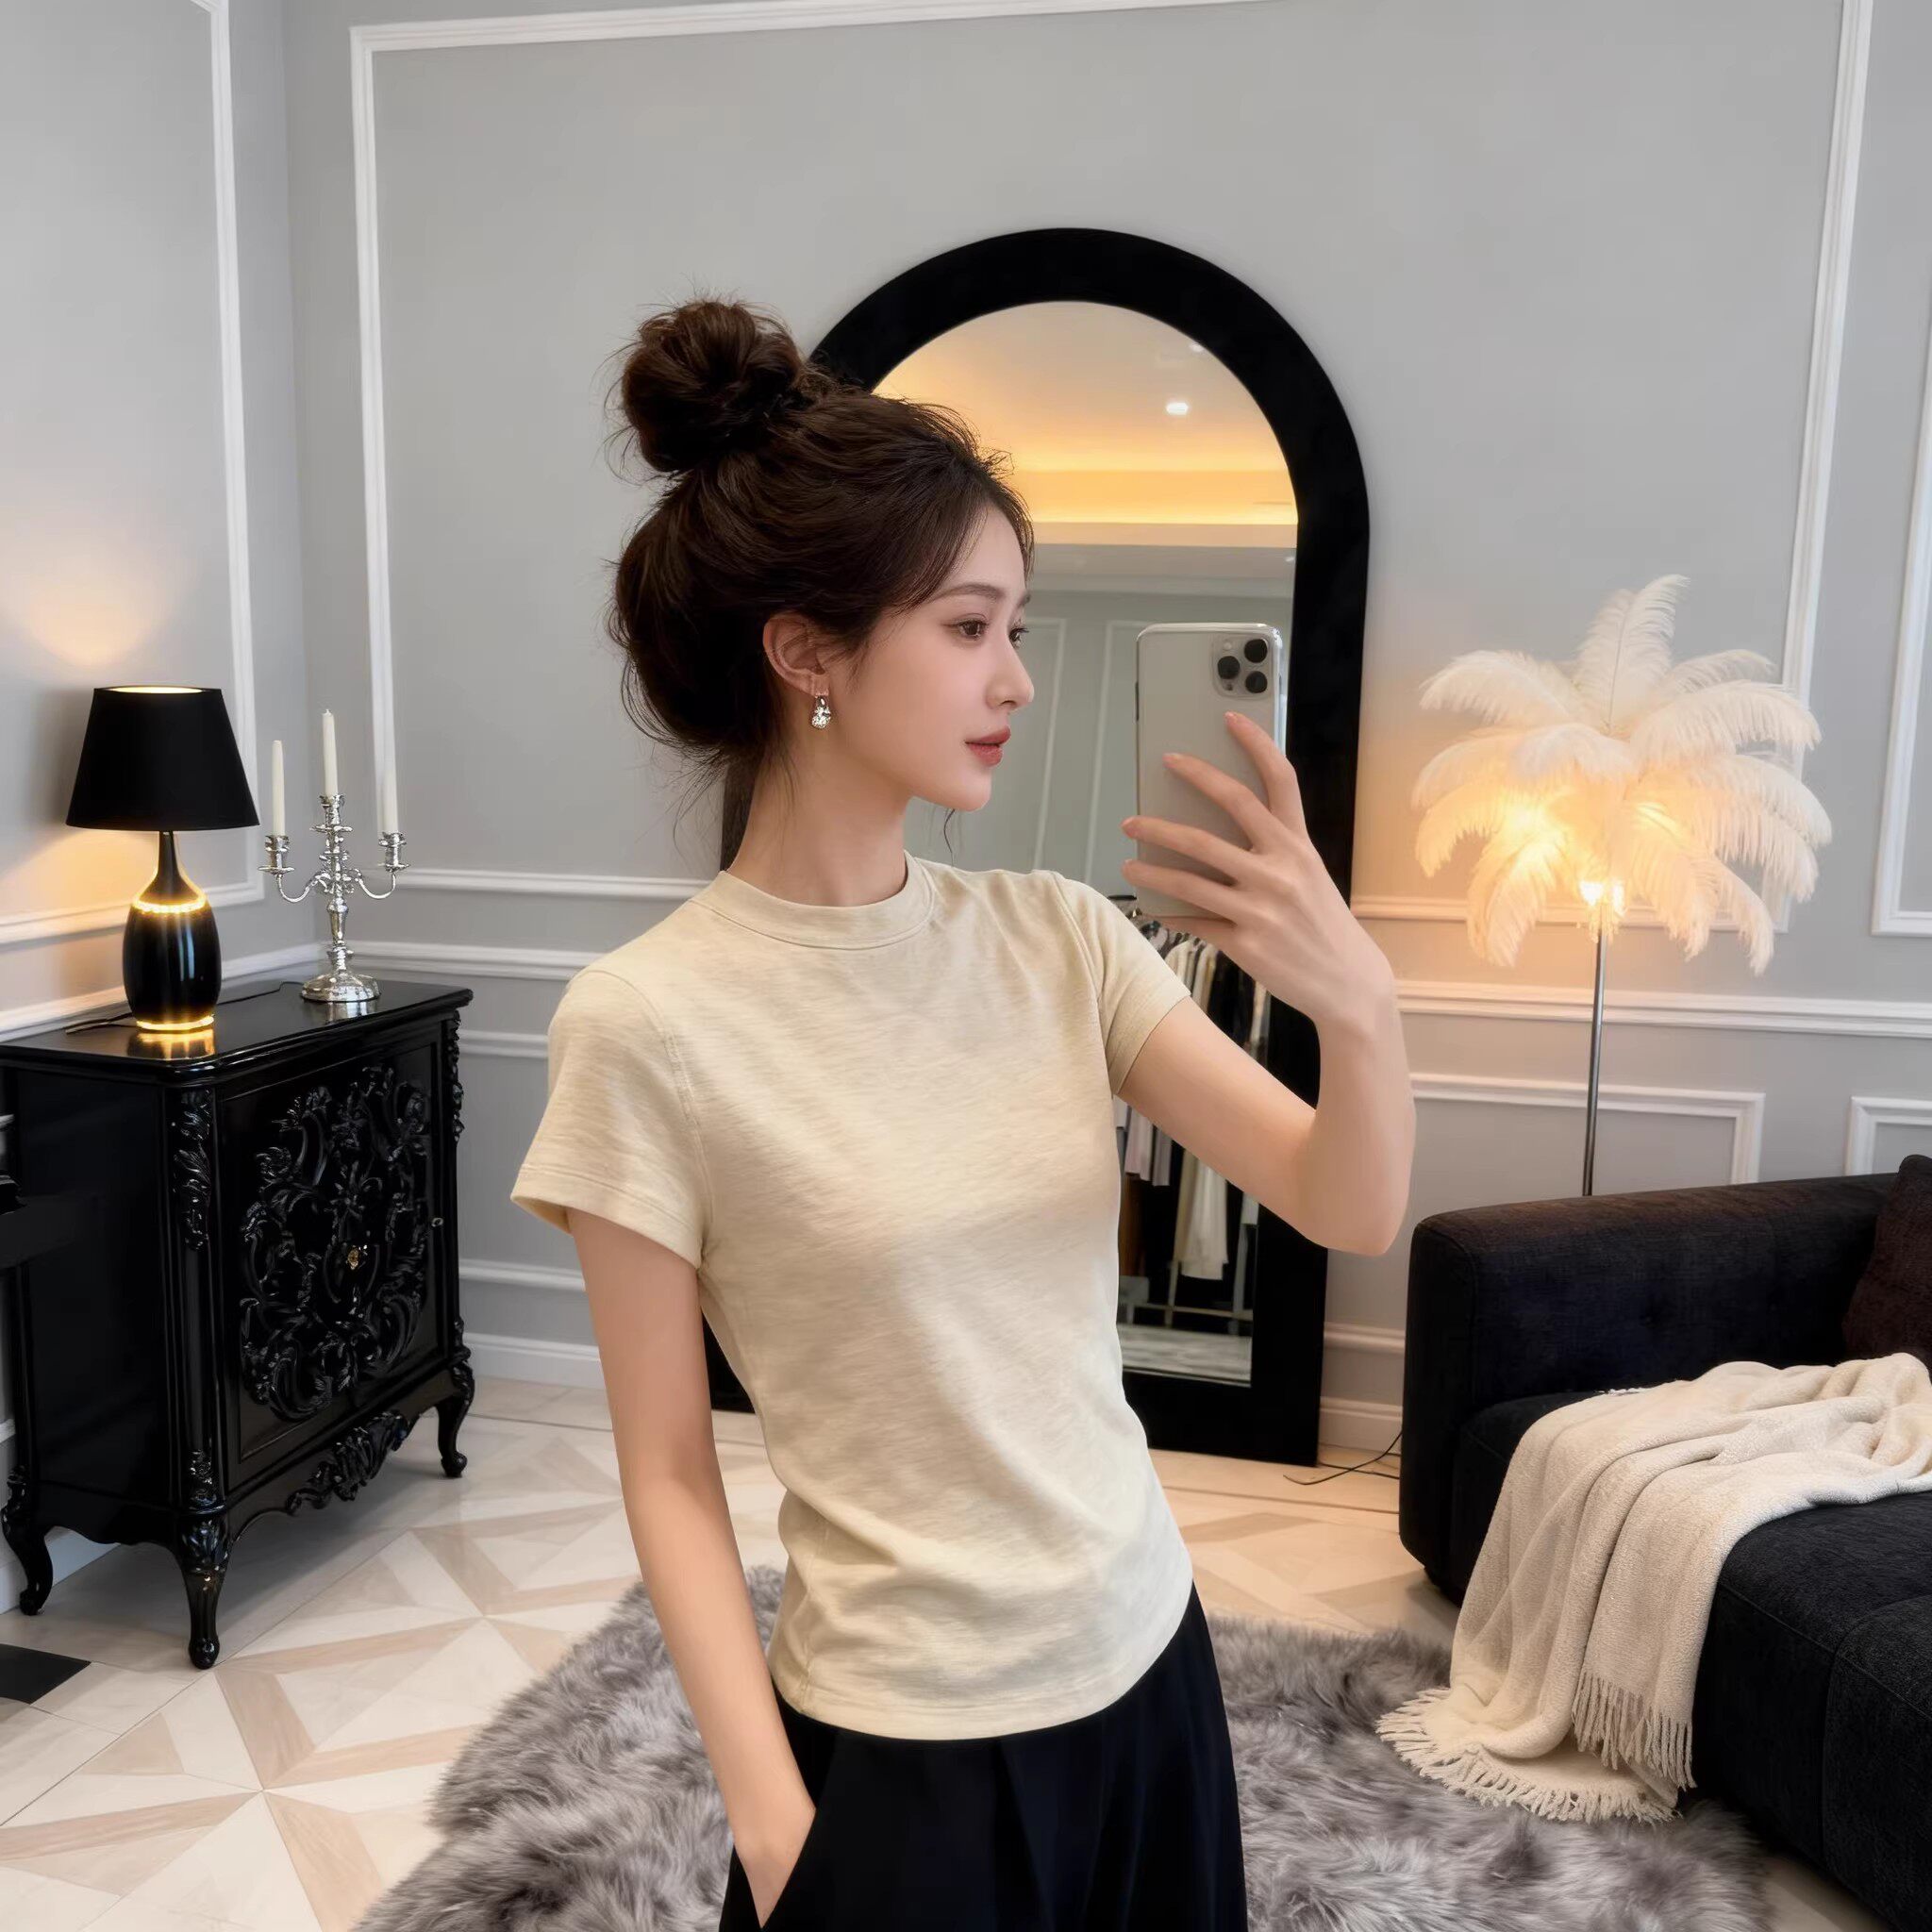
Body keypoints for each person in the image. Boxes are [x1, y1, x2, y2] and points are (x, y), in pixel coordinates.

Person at [509, 294, 1414, 1929]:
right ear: (808, 653)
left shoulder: (1058, 940)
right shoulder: (647, 1025)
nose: (1017, 679)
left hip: (1147, 1669)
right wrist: (773, 1826)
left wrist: (1357, 1002)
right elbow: (669, 1472)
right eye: (970, 627)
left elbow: (1343, 1203)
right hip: (900, 1738)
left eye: (1019, 628)